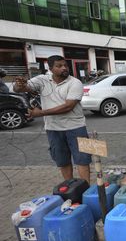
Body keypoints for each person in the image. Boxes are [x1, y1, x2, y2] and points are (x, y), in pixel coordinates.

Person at [13, 55, 92, 183]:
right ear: (50, 68)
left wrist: (40, 113)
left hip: (76, 127)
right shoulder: (42, 80)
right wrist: (19, 84)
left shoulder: (75, 82)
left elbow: (68, 106)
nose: (64, 68)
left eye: (65, 65)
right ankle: (70, 188)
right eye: (59, 66)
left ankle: (85, 189)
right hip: (53, 129)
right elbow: (20, 89)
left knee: (82, 159)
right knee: (62, 161)